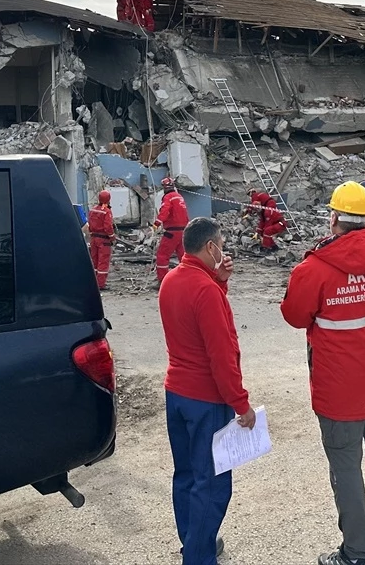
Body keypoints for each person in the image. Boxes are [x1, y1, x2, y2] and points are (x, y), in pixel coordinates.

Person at [281, 181, 365, 565]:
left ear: (334, 217)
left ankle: (355, 553)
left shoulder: (314, 268)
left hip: (339, 393)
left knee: (346, 468)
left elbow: (293, 315)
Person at [160, 217, 257, 565]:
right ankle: (199, 556)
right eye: (222, 243)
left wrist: (220, 281)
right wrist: (240, 403)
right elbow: (221, 354)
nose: (224, 249)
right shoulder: (205, 290)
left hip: (177, 394)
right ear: (211, 247)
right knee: (213, 485)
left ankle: (194, 541)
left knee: (186, 475)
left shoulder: (172, 280)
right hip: (206, 399)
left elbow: (192, 324)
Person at [154, 176, 189, 283]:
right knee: (184, 256)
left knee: (162, 255)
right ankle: (187, 278)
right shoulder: (179, 197)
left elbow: (165, 211)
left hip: (172, 231)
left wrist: (156, 223)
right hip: (183, 231)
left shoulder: (168, 197)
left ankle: (163, 280)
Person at [86, 189, 115, 290]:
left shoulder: (93, 209)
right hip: (103, 240)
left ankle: (93, 282)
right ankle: (101, 284)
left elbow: (89, 224)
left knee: (94, 261)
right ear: (108, 199)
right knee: (103, 262)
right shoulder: (106, 211)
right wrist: (112, 237)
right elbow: (108, 227)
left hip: (94, 238)